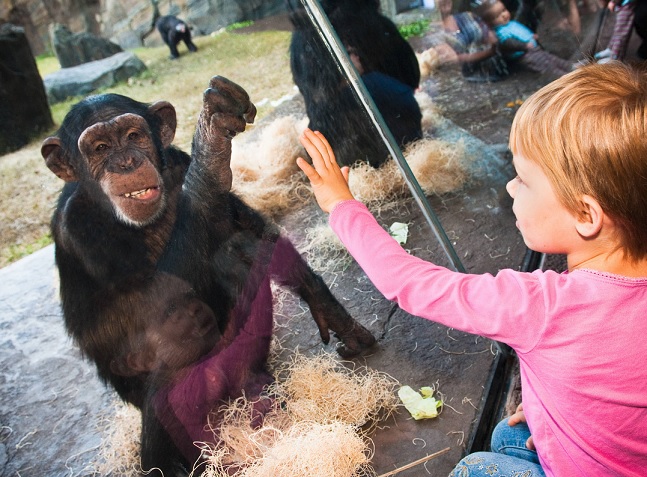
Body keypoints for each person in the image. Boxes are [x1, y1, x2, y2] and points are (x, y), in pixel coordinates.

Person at [295, 62, 647, 476]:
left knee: (476, 466)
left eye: (524, 179)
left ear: (586, 215)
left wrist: (342, 206)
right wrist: (565, 419)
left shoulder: (541, 306)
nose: (510, 187)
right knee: (509, 434)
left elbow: (407, 282)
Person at [472, 0, 575, 79]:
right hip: (525, 55)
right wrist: (524, 45)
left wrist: (531, 36)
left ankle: (570, 67)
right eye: (497, 16)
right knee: (545, 65)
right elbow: (508, 43)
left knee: (550, 58)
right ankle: (564, 76)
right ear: (489, 23)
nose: (503, 15)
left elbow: (521, 32)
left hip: (533, 50)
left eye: (503, 10)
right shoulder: (500, 32)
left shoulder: (510, 24)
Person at [437, 0, 509, 82]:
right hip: (470, 80)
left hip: (497, 73)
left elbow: (492, 38)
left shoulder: (467, 15)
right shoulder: (433, 33)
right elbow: (453, 60)